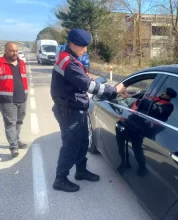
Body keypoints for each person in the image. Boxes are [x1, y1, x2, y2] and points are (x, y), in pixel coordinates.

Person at [51, 28, 127, 192]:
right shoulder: (68, 62)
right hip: (69, 111)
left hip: (76, 108)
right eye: (82, 46)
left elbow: (81, 80)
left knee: (83, 142)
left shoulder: (71, 58)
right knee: (71, 145)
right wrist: (114, 90)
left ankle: (81, 170)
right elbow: (87, 85)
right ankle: (60, 179)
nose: (85, 50)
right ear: (72, 44)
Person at [0, 42, 29, 158]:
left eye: (16, 51)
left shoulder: (21, 63)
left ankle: (16, 140)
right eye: (12, 51)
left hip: (22, 97)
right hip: (6, 99)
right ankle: (13, 147)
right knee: (10, 123)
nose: (15, 53)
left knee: (19, 122)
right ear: (5, 51)